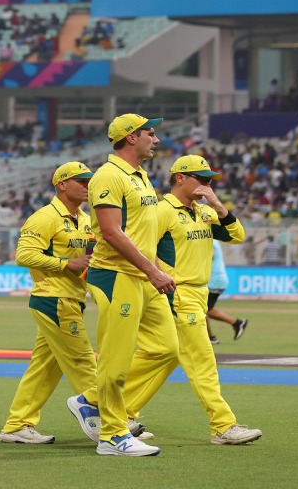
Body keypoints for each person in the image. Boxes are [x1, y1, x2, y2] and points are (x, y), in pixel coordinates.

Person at [122, 156, 262, 445]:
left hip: (199, 293)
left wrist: (219, 205)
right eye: (202, 178)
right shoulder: (162, 210)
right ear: (181, 178)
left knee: (168, 356)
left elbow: (237, 236)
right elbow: (138, 246)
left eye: (210, 179)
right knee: (202, 361)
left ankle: (117, 412)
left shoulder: (204, 211)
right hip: (177, 293)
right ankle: (224, 426)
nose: (207, 184)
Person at [66, 114, 176, 457]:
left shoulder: (140, 175)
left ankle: (91, 401)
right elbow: (112, 233)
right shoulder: (108, 176)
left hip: (142, 275)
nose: (156, 140)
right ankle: (112, 436)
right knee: (116, 361)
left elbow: (142, 234)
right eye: (150, 133)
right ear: (131, 137)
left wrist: (156, 269)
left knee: (167, 349)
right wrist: (152, 271)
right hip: (117, 276)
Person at [0, 162, 96, 444]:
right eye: (82, 181)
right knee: (84, 362)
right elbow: (24, 256)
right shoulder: (44, 217)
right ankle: (116, 422)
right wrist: (67, 263)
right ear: (62, 184)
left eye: (89, 181)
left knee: (44, 369)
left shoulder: (86, 219)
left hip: (70, 299)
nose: (87, 186)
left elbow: (89, 263)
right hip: (54, 298)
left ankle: (17, 425)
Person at [206, 240, 247, 343]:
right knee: (204, 309)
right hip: (216, 280)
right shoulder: (212, 240)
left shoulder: (209, 241)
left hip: (213, 281)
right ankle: (210, 337)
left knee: (204, 309)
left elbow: (209, 256)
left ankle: (236, 323)